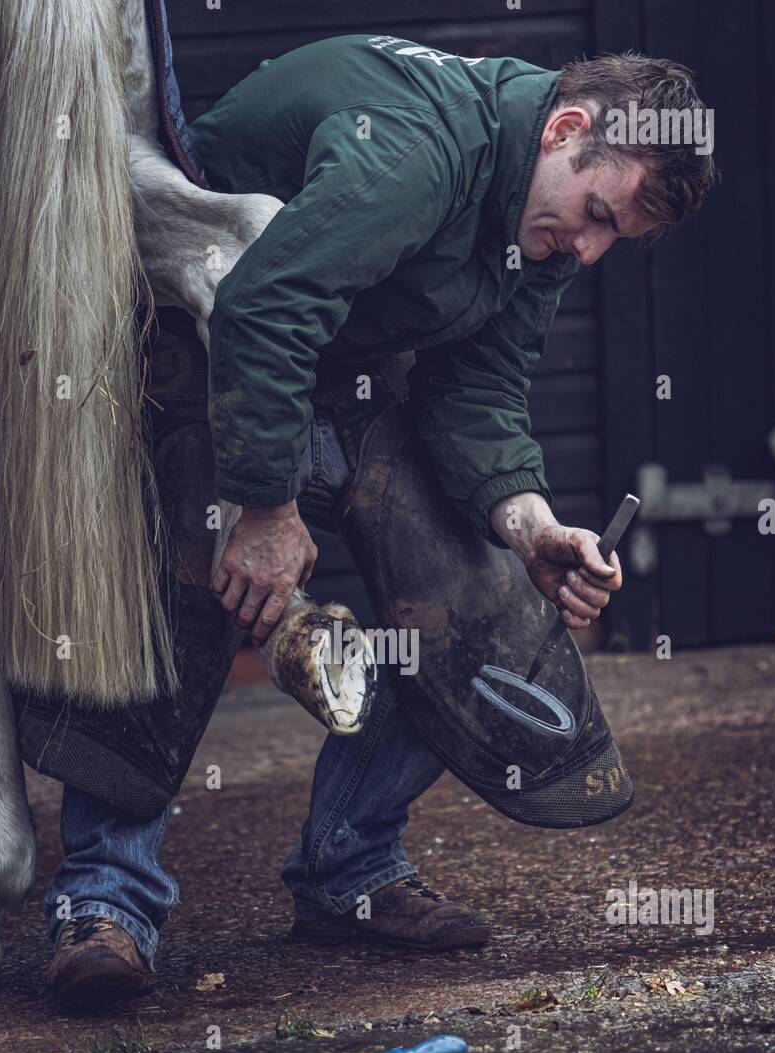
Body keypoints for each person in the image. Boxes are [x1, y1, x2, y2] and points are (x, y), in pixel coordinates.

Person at [48, 35, 714, 1002]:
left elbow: (478, 387)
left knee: (473, 606)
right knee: (181, 584)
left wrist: (532, 529)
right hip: (193, 347)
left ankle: (347, 872)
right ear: (567, 131)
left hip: (350, 377)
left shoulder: (543, 210)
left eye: (616, 237)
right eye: (597, 216)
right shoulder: (418, 149)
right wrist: (266, 506)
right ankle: (103, 901)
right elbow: (263, 308)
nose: (590, 248)